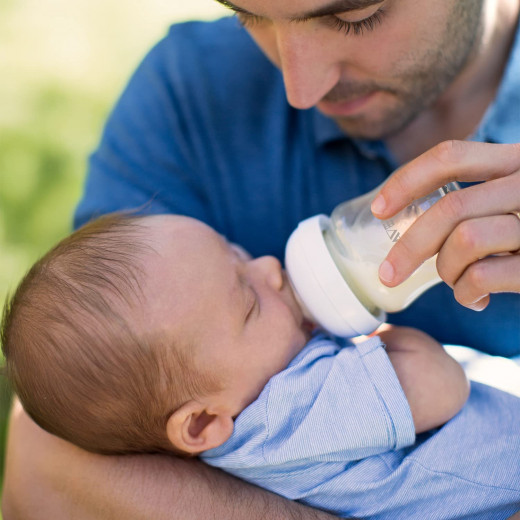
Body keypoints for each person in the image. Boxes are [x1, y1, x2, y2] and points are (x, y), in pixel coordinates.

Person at [3, 0, 520, 518]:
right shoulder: (189, 94)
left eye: (355, 17)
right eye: (249, 16)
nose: (301, 89)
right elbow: (49, 457)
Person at [3, 214, 519, 519]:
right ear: (204, 423)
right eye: (248, 302)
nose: (269, 269)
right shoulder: (286, 417)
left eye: (238, 253)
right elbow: (439, 384)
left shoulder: (246, 410)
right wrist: (372, 321)